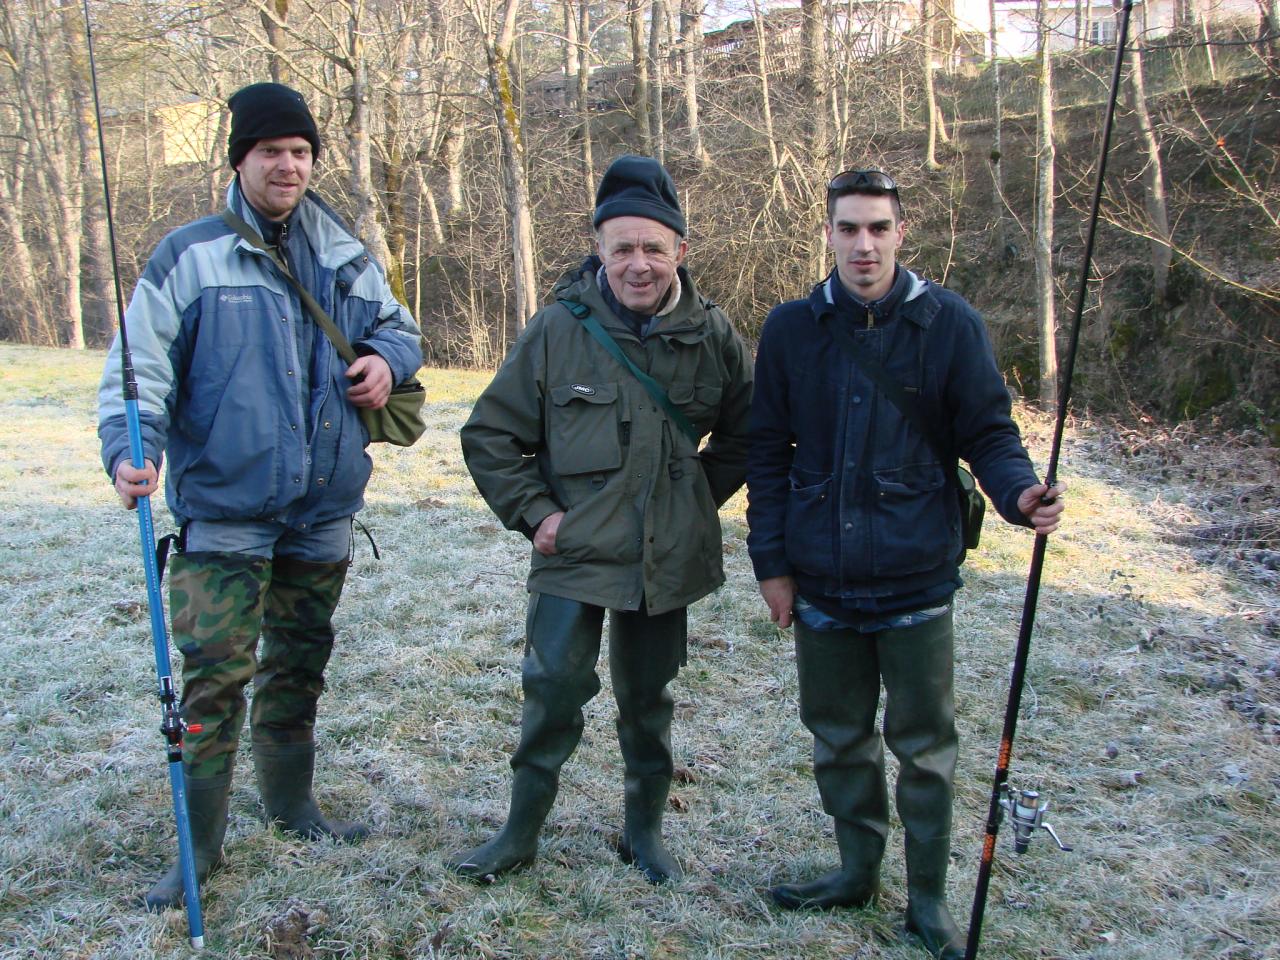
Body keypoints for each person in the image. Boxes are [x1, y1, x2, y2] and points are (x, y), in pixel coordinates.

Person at [97, 82, 424, 910]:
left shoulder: (344, 252)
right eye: (272, 151)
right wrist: (130, 452)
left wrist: (387, 360)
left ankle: (291, 803)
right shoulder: (188, 256)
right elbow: (139, 371)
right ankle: (198, 849)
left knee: (301, 659)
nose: (288, 165)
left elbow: (403, 330)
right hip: (226, 511)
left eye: (301, 153)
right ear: (240, 159)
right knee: (212, 677)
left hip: (323, 508)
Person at [746, 169, 1064, 959]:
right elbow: (766, 454)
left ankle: (927, 904)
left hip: (919, 577)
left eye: (878, 229)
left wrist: (1022, 494)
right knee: (838, 736)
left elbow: (989, 433)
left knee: (924, 748)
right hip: (820, 578)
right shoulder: (790, 330)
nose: (864, 245)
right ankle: (857, 872)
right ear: (827, 233)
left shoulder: (951, 324)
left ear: (900, 232)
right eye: (848, 228)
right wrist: (772, 563)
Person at [455, 155, 753, 885]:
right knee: (553, 686)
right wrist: (537, 516)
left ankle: (643, 835)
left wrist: (690, 500)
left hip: (667, 558)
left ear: (680, 250)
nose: (639, 264)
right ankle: (519, 833)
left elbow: (752, 435)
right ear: (599, 248)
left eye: (654, 247)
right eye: (622, 248)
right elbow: (490, 435)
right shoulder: (558, 330)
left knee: (648, 701)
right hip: (576, 551)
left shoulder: (715, 335)